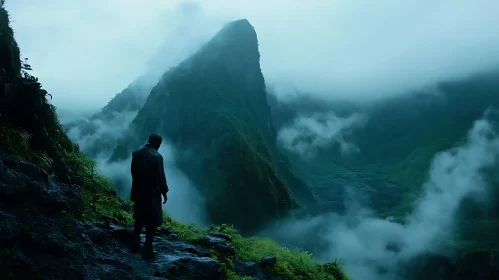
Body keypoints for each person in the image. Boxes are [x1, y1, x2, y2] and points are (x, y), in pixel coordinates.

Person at [130, 133, 169, 255]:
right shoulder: (157, 157)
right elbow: (161, 177)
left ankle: (135, 243)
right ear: (158, 143)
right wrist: (164, 192)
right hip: (152, 193)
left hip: (138, 190)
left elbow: (133, 171)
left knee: (139, 217)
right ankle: (148, 247)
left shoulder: (136, 153)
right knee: (152, 220)